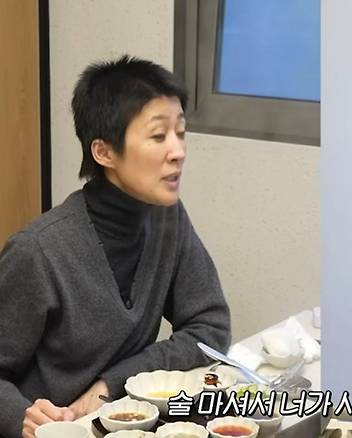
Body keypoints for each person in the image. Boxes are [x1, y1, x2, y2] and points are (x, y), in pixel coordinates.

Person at [0, 56, 231, 438]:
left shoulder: (168, 219)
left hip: (127, 424)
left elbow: (210, 329)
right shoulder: (37, 251)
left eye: (181, 132)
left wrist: (113, 382)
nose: (178, 151)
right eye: (158, 136)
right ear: (104, 152)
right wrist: (19, 416)